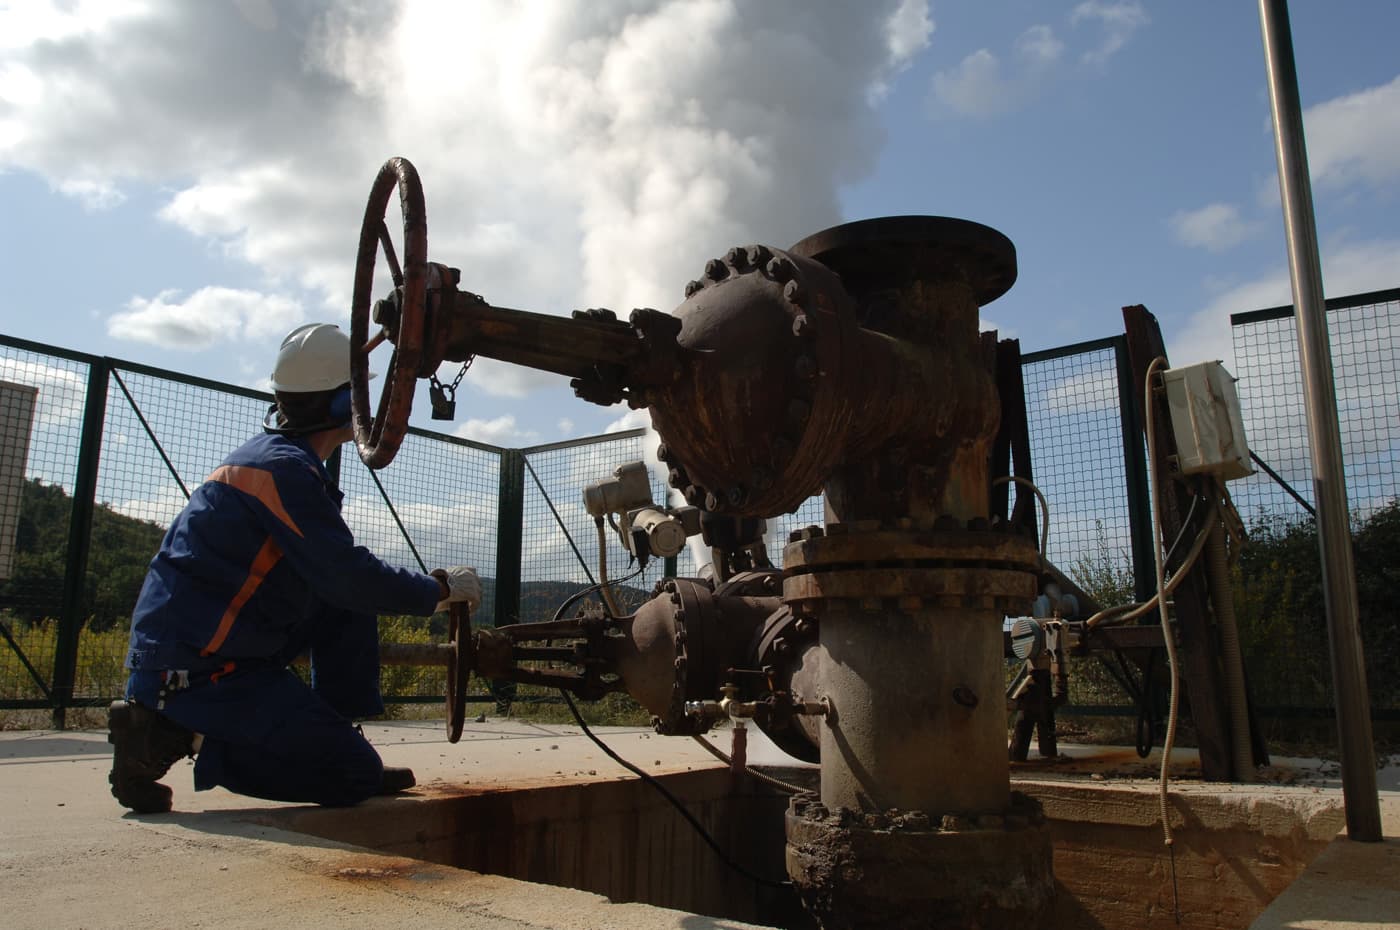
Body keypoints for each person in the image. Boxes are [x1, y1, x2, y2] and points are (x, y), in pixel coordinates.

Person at [109, 322, 482, 814]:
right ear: (337, 405)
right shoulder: (282, 471)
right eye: (359, 393)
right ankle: (180, 734)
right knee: (351, 775)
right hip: (196, 672)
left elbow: (340, 585)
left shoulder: (279, 462)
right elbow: (348, 574)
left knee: (344, 606)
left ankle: (331, 733)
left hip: (214, 648)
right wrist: (438, 590)